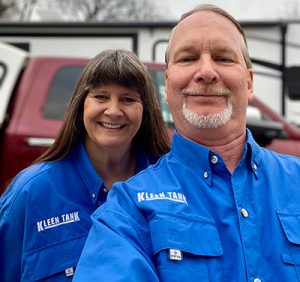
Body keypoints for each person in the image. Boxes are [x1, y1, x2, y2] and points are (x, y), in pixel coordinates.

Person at [73, 4, 300, 282]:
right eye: (188, 58)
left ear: (250, 82)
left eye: (223, 58)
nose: (206, 72)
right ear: (167, 85)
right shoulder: (127, 211)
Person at [0, 49, 170, 281]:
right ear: (81, 104)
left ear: (146, 110)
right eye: (101, 97)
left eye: (128, 99)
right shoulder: (31, 193)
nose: (113, 111)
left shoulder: (170, 188)